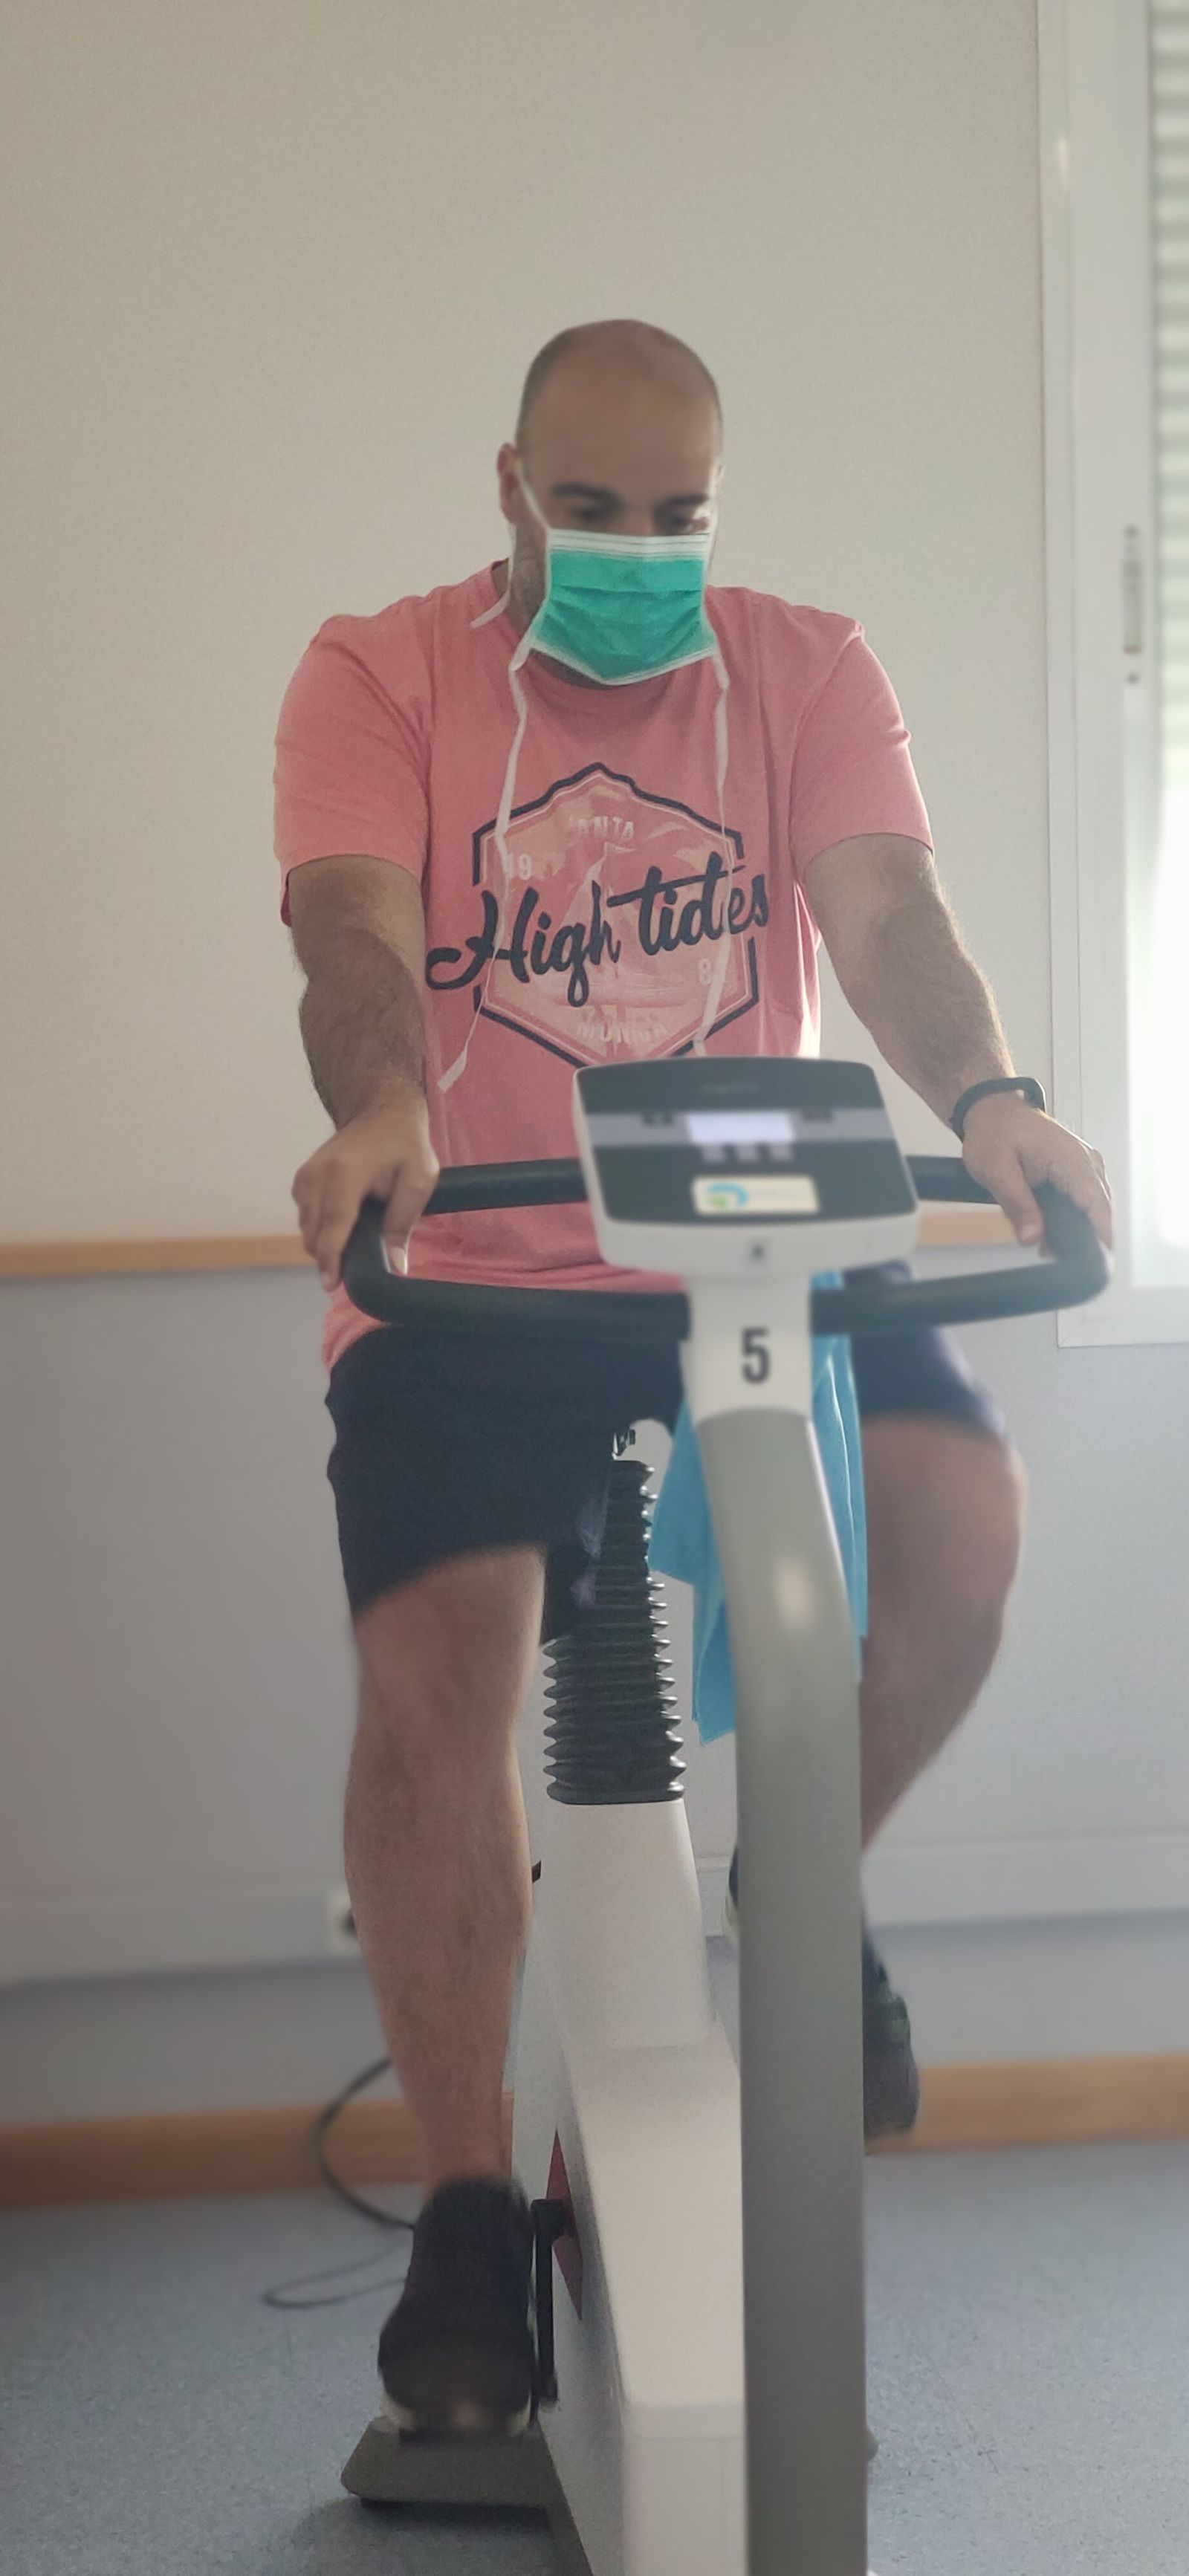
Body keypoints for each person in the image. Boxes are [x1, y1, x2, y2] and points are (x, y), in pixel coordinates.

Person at [273, 318, 1112, 2438]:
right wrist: (385, 1117)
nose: (638, 547)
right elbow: (355, 930)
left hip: (760, 1225)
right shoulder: (382, 672)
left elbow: (890, 911)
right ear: (510, 489)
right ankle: (473, 2201)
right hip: (477, 1251)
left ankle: (796, 1877)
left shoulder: (803, 666)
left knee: (956, 1535)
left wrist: (993, 1097)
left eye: (678, 511)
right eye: (592, 508)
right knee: (435, 1672)